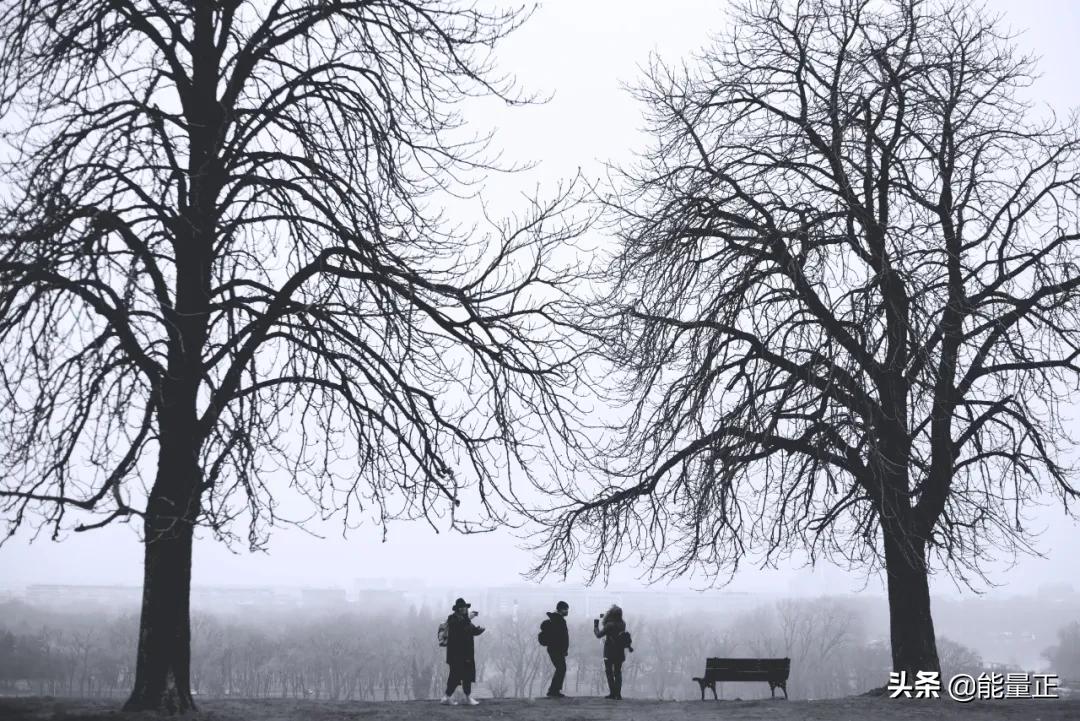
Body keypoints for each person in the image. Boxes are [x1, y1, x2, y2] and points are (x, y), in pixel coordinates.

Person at [441, 597, 485, 706]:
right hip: (456, 655)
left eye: (465, 607)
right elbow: (458, 628)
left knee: (467, 677)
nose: (464, 609)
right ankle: (446, 697)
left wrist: (479, 630)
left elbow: (471, 630)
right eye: (462, 607)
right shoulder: (453, 619)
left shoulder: (465, 620)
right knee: (455, 676)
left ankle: (467, 697)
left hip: (467, 654)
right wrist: (468, 619)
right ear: (457, 609)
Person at [593, 604, 628, 700]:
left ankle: (612, 693)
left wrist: (595, 626)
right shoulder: (623, 624)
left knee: (609, 672)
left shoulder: (609, 625)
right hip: (620, 652)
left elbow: (599, 635)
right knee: (618, 672)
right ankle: (618, 694)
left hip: (609, 652)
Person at [543, 601, 571, 698]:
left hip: (555, 649)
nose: (567, 611)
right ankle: (553, 691)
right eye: (566, 609)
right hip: (556, 649)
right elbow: (560, 637)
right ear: (561, 609)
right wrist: (563, 649)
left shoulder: (557, 619)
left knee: (560, 668)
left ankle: (554, 690)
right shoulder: (558, 620)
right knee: (561, 668)